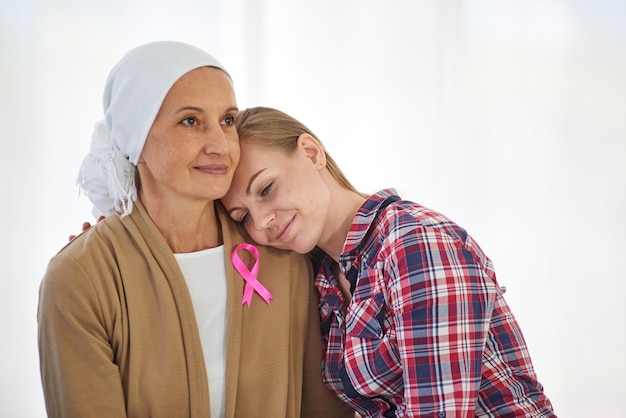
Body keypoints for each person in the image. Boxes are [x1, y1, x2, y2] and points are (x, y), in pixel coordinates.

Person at [37, 42, 354, 418]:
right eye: (190, 121)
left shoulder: (282, 249)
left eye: (227, 120)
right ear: (136, 138)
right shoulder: (82, 277)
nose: (220, 145)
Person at [220, 107, 557, 417]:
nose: (262, 222)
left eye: (265, 189)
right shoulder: (325, 278)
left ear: (311, 153)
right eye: (244, 216)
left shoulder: (414, 243)